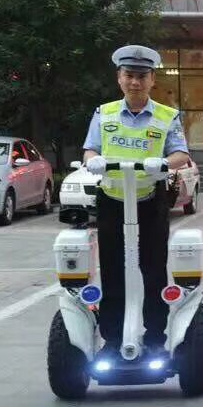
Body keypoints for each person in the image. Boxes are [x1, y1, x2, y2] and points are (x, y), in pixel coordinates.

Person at [83, 45, 190, 360]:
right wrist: (93, 160)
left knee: (153, 270)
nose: (135, 82)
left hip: (150, 199)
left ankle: (155, 338)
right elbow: (90, 149)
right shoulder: (104, 113)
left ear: (152, 79)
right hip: (112, 199)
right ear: (119, 77)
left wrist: (165, 163)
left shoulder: (167, 116)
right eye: (129, 75)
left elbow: (181, 154)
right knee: (112, 270)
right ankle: (112, 340)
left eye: (142, 76)